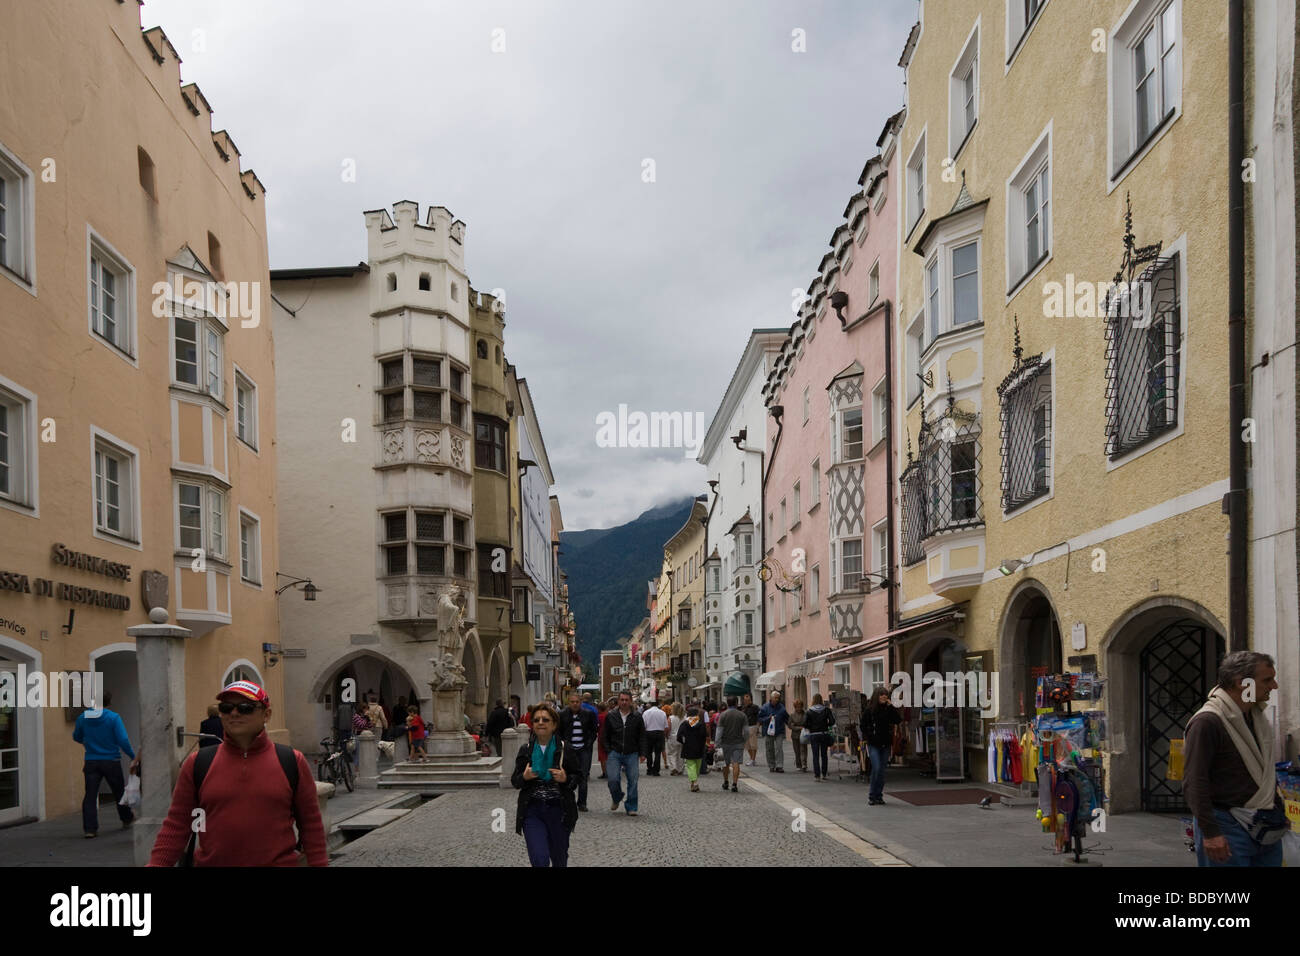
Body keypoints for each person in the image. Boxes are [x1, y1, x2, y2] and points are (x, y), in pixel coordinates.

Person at [147, 680, 327, 866]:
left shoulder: (292, 761)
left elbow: (311, 826)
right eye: (226, 708)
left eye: (245, 707)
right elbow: (177, 825)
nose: (234, 713)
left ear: (266, 714)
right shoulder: (198, 763)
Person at [1184, 651, 1285, 867]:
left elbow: (1263, 772)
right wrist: (1210, 833)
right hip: (1226, 826)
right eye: (1267, 680)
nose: (1274, 686)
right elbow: (1195, 782)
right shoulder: (1208, 722)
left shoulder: (1255, 716)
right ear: (1242, 683)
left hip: (1264, 824)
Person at [512, 702, 581, 867]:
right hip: (532, 811)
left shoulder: (565, 749)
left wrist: (565, 779)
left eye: (545, 719)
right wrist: (525, 777)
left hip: (559, 810)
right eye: (536, 720)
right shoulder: (526, 749)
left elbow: (578, 777)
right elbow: (515, 781)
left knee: (559, 859)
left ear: (554, 724)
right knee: (539, 859)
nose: (540, 723)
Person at [73, 691, 138, 838]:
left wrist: (87, 743)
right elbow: (123, 740)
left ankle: (90, 829)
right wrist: (133, 756)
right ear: (109, 703)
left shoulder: (83, 717)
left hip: (91, 761)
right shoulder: (113, 718)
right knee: (119, 792)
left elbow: (76, 736)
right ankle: (126, 818)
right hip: (111, 761)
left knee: (90, 795)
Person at [601, 691, 645, 816]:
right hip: (615, 751)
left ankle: (631, 807)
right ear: (618, 701)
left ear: (630, 701)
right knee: (613, 779)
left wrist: (643, 753)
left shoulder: (637, 716)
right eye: (622, 700)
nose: (624, 702)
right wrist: (608, 750)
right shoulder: (611, 716)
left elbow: (642, 736)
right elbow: (605, 735)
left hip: (632, 752)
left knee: (633, 780)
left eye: (626, 700)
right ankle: (617, 797)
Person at [859, 685, 902, 804]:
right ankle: (872, 795)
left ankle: (878, 795)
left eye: (885, 695)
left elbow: (898, 720)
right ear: (876, 696)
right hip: (873, 744)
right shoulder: (869, 710)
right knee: (876, 768)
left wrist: (891, 706)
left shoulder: (888, 709)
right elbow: (863, 726)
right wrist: (869, 736)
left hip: (886, 744)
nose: (884, 696)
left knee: (881, 770)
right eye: (882, 694)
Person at [558, 692, 599, 812]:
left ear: (580, 703)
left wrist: (589, 743)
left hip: (584, 749)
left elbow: (593, 730)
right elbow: (558, 731)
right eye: (572, 702)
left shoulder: (588, 714)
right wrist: (563, 745)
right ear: (568, 703)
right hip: (568, 750)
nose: (575, 704)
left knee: (583, 775)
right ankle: (567, 801)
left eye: (577, 702)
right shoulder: (562, 714)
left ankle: (582, 803)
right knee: (566, 775)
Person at [715, 696, 748, 793]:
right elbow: (746, 731)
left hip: (725, 743)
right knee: (736, 763)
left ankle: (726, 782)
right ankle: (734, 784)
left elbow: (719, 731)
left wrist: (717, 743)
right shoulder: (742, 715)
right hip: (738, 742)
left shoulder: (723, 715)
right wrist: (744, 740)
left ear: (728, 703)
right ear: (736, 703)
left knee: (725, 763)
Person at [676, 705, 710, 792]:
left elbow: (679, 736)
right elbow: (704, 735)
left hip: (688, 747)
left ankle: (694, 782)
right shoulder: (701, 724)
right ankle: (694, 782)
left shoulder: (684, 724)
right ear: (696, 714)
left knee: (690, 766)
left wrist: (683, 742)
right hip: (699, 747)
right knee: (697, 766)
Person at [804, 694, 835, 781]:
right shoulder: (826, 710)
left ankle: (817, 775)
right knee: (824, 755)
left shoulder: (809, 711)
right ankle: (824, 774)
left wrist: (811, 727)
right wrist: (826, 725)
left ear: (813, 700)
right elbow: (832, 721)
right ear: (821, 700)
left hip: (814, 735)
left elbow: (805, 724)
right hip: (824, 734)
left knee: (815, 755)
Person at [758, 691, 789, 772]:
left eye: (778, 698)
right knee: (769, 749)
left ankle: (779, 766)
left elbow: (786, 718)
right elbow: (760, 719)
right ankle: (771, 765)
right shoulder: (765, 707)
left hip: (779, 731)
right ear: (771, 698)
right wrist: (768, 718)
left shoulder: (781, 707)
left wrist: (791, 725)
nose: (777, 699)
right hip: (768, 731)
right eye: (775, 698)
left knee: (779, 748)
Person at [641, 699, 668, 775]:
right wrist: (664, 734)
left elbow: (643, 725)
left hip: (649, 733)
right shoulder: (662, 713)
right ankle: (656, 770)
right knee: (658, 752)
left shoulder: (646, 713)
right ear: (658, 704)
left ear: (650, 704)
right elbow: (666, 726)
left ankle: (649, 769)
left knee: (649, 752)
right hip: (659, 733)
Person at [665, 702, 685, 775]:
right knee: (681, 754)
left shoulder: (670, 718)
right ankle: (680, 769)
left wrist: (666, 736)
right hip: (682, 738)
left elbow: (668, 728)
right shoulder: (684, 718)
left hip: (672, 737)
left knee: (672, 753)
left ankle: (674, 768)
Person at [788, 699, 808, 772]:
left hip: (804, 735)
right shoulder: (792, 715)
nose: (799, 708)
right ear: (795, 707)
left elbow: (806, 723)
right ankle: (798, 764)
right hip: (795, 736)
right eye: (797, 707)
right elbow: (790, 725)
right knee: (797, 751)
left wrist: (795, 725)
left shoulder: (805, 714)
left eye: (800, 707)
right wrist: (799, 727)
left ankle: (804, 764)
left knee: (803, 750)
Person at [742, 693, 760, 766]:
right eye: (745, 700)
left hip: (753, 726)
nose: (746, 701)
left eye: (747, 699)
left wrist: (758, 726)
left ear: (750, 700)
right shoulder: (744, 708)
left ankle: (753, 759)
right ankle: (751, 758)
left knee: (753, 744)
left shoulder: (755, 707)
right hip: (745, 727)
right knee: (747, 745)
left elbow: (759, 716)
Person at [596, 701, 609, 778]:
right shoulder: (609, 715)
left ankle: (605, 772)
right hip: (609, 737)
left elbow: (596, 727)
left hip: (601, 737)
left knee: (602, 756)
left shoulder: (599, 716)